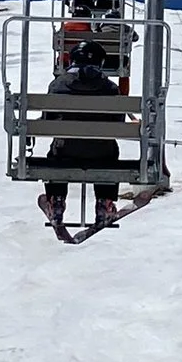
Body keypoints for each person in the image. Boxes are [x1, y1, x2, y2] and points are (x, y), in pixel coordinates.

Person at [37, 32, 126, 234]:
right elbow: (118, 122)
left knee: (56, 153)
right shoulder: (110, 87)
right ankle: (105, 203)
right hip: (101, 153)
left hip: (65, 151)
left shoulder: (58, 84)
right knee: (110, 151)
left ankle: (56, 200)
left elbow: (48, 120)